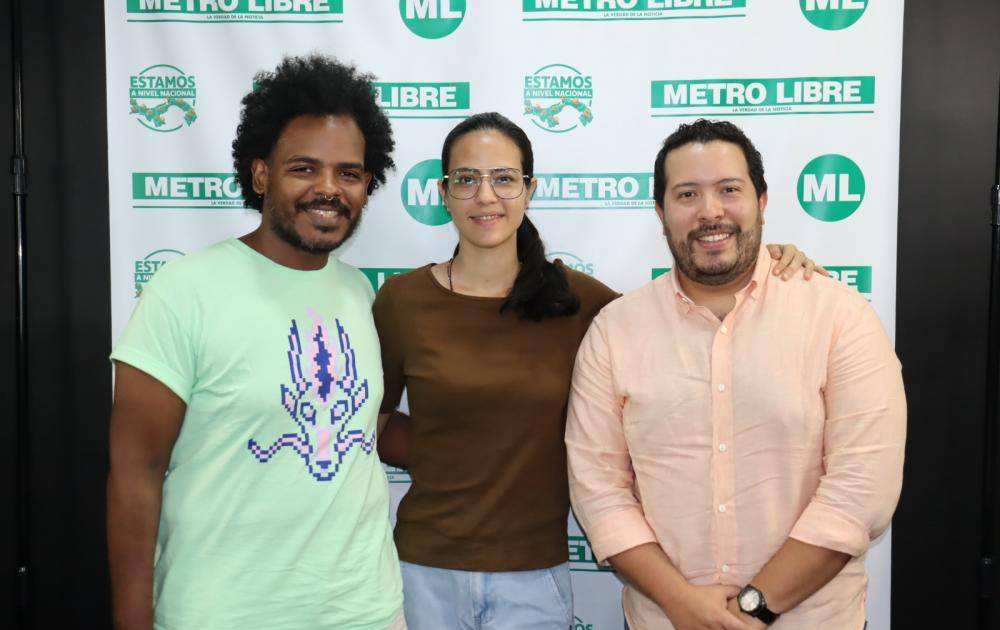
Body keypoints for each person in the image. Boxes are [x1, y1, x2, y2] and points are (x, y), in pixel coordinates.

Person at [374, 112, 823, 630]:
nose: (485, 196)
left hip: (533, 576)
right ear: (444, 192)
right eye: (466, 179)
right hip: (421, 567)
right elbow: (375, 425)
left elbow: (683, 305)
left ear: (529, 190)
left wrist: (767, 259)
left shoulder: (581, 302)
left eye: (504, 178)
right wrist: (459, 456)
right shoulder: (402, 300)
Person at [565, 119, 906, 630]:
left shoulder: (840, 317)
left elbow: (861, 492)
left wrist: (753, 608)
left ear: (761, 201)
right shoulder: (615, 331)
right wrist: (681, 604)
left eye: (729, 189)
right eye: (687, 194)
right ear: (660, 213)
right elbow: (599, 491)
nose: (710, 211)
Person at [106, 55, 405, 630]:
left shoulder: (359, 293)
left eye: (348, 173)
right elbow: (134, 477)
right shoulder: (183, 291)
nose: (329, 188)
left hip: (366, 612)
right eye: (304, 168)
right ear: (262, 174)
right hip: (222, 614)